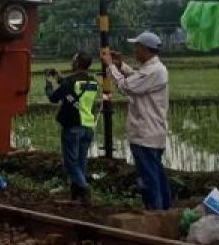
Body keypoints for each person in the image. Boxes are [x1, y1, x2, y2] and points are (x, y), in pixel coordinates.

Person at [103, 31, 171, 210]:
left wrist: (111, 67)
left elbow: (126, 86)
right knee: (156, 173)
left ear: (145, 49)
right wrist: (121, 66)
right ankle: (164, 209)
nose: (134, 51)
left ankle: (155, 211)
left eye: (137, 47)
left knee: (149, 177)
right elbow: (137, 78)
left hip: (145, 134)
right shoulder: (153, 69)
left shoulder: (153, 71)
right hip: (152, 133)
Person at [45, 52, 100, 205]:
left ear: (77, 63)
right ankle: (77, 197)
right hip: (88, 126)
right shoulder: (92, 81)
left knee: (71, 163)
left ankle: (84, 188)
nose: (71, 61)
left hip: (72, 126)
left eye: (73, 59)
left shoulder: (70, 82)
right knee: (81, 162)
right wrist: (59, 78)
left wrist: (49, 83)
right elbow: (72, 90)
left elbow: (54, 97)